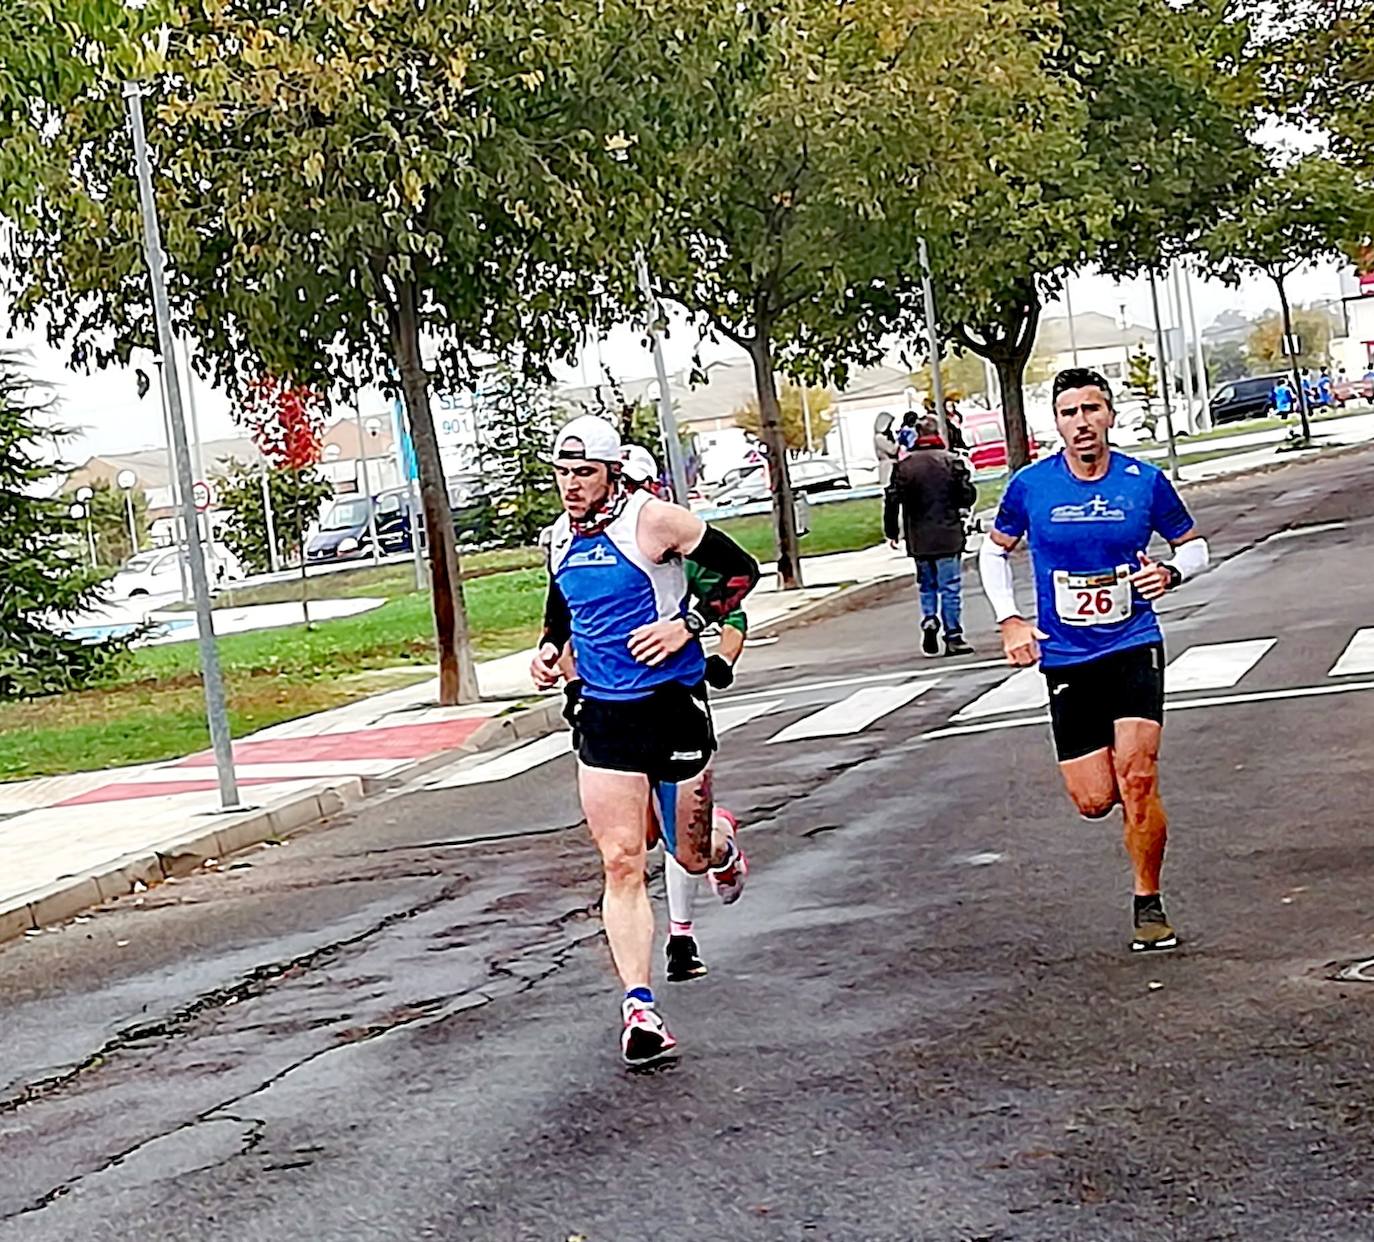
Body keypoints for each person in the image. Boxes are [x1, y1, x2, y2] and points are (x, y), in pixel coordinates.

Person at [531, 416, 760, 1066]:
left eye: (583, 473)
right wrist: (548, 650)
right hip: (605, 717)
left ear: (612, 475)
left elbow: (740, 571)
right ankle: (640, 1008)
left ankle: (721, 845)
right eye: (562, 473)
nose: (571, 485)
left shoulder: (654, 521)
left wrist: (687, 624)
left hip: (673, 707)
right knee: (622, 860)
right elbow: (561, 608)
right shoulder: (559, 538)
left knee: (688, 854)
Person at [978, 367, 1210, 953]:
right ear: (1056, 423)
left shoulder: (1143, 481)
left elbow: (1194, 545)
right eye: (1069, 413)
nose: (1082, 422)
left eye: (1092, 409)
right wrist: (1010, 620)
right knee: (1095, 799)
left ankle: (1148, 902)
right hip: (1067, 656)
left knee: (1139, 775)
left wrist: (1171, 572)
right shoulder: (1032, 486)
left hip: (1132, 641)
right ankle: (1124, 799)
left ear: (1109, 414)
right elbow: (992, 552)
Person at [623, 443, 749, 983]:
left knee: (682, 842)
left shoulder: (672, 542)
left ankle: (681, 937)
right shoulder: (582, 542)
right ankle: (717, 836)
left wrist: (719, 658)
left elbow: (733, 606)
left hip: (674, 699)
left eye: (636, 485)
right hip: (614, 708)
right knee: (642, 836)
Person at [883, 414, 978, 657]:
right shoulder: (952, 462)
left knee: (927, 585)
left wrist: (891, 531)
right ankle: (953, 635)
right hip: (948, 534)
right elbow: (967, 496)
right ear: (937, 433)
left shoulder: (904, 466)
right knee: (950, 586)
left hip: (919, 536)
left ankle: (929, 618)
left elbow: (892, 500)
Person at [872, 413, 900, 487]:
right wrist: (899, 442)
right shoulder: (879, 437)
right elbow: (892, 450)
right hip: (887, 465)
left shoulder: (883, 436)